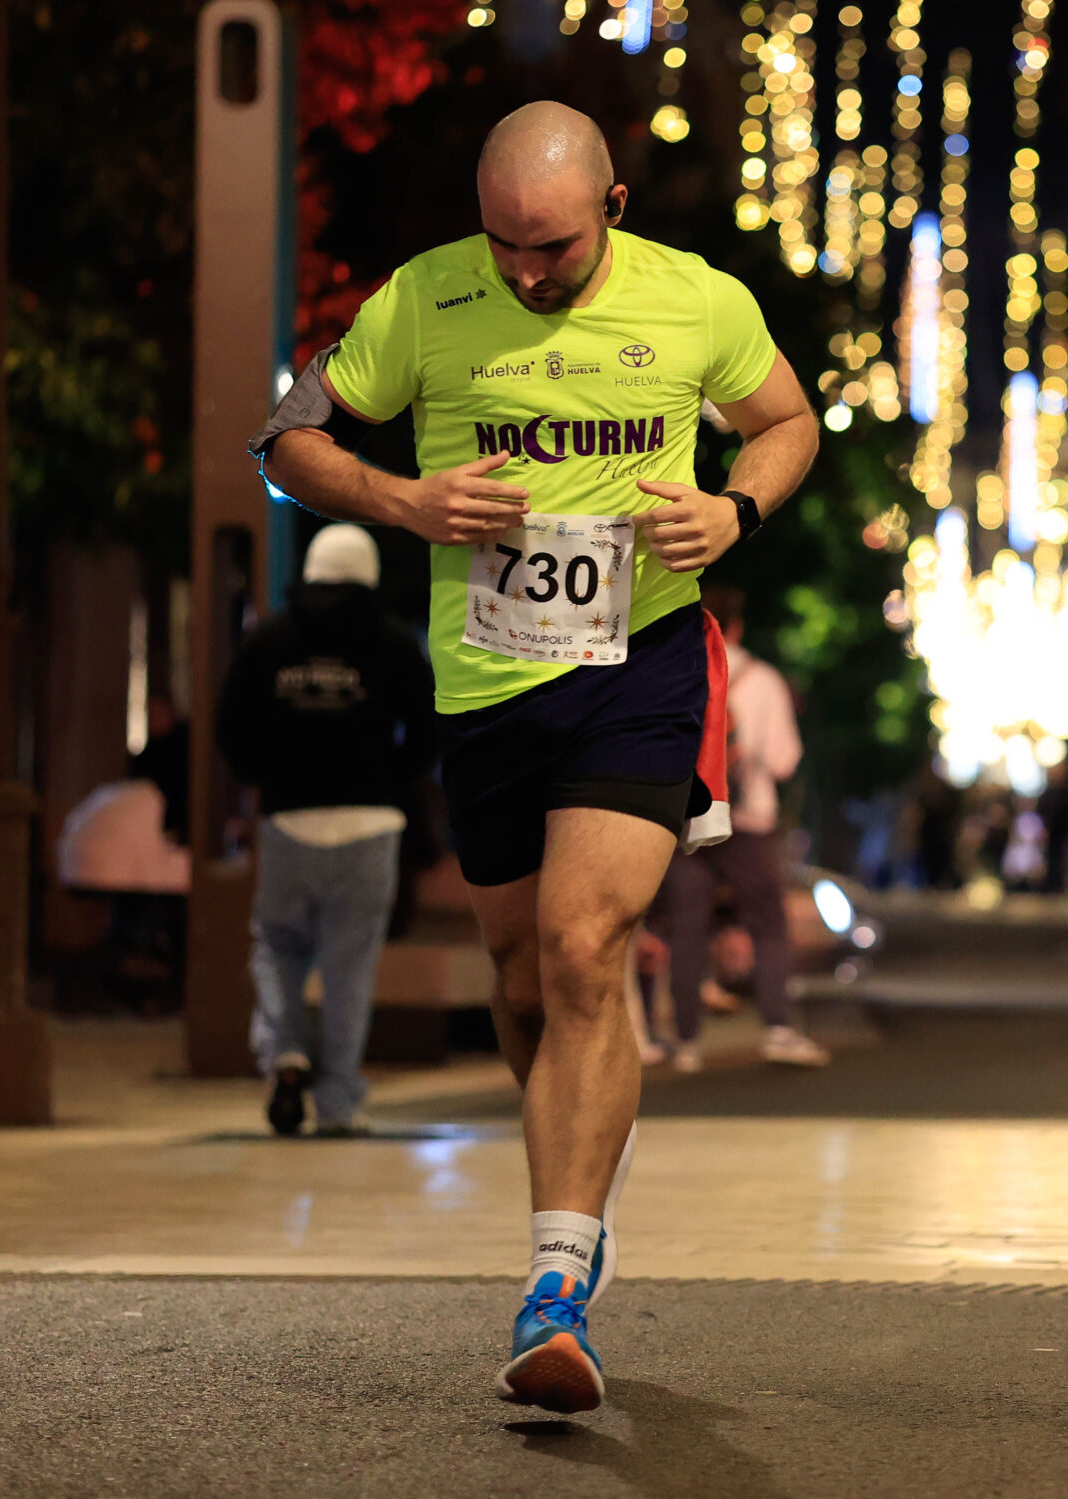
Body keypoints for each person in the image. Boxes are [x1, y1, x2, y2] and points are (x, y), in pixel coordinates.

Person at [256, 101, 817, 1415]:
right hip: (489, 683)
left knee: (580, 947)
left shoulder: (696, 299)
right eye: (503, 242)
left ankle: (555, 1282)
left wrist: (734, 507)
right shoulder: (423, 298)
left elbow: (787, 420)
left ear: (612, 207)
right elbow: (285, 443)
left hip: (642, 668)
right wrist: (404, 499)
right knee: (523, 982)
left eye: (551, 247)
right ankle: (582, 1166)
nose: (523, 270)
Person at [216, 523, 438, 1137]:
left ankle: (285, 1049)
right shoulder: (393, 642)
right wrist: (391, 780)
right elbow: (428, 730)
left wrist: (267, 778)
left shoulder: (269, 639)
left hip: (289, 818)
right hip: (371, 823)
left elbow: (231, 726)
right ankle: (338, 1100)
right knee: (350, 964)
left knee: (277, 943)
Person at [655, 586, 825, 1072]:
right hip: (745, 820)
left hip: (686, 817)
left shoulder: (674, 670)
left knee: (687, 929)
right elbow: (784, 760)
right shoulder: (763, 679)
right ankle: (778, 1030)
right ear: (737, 626)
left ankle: (687, 1042)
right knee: (768, 923)